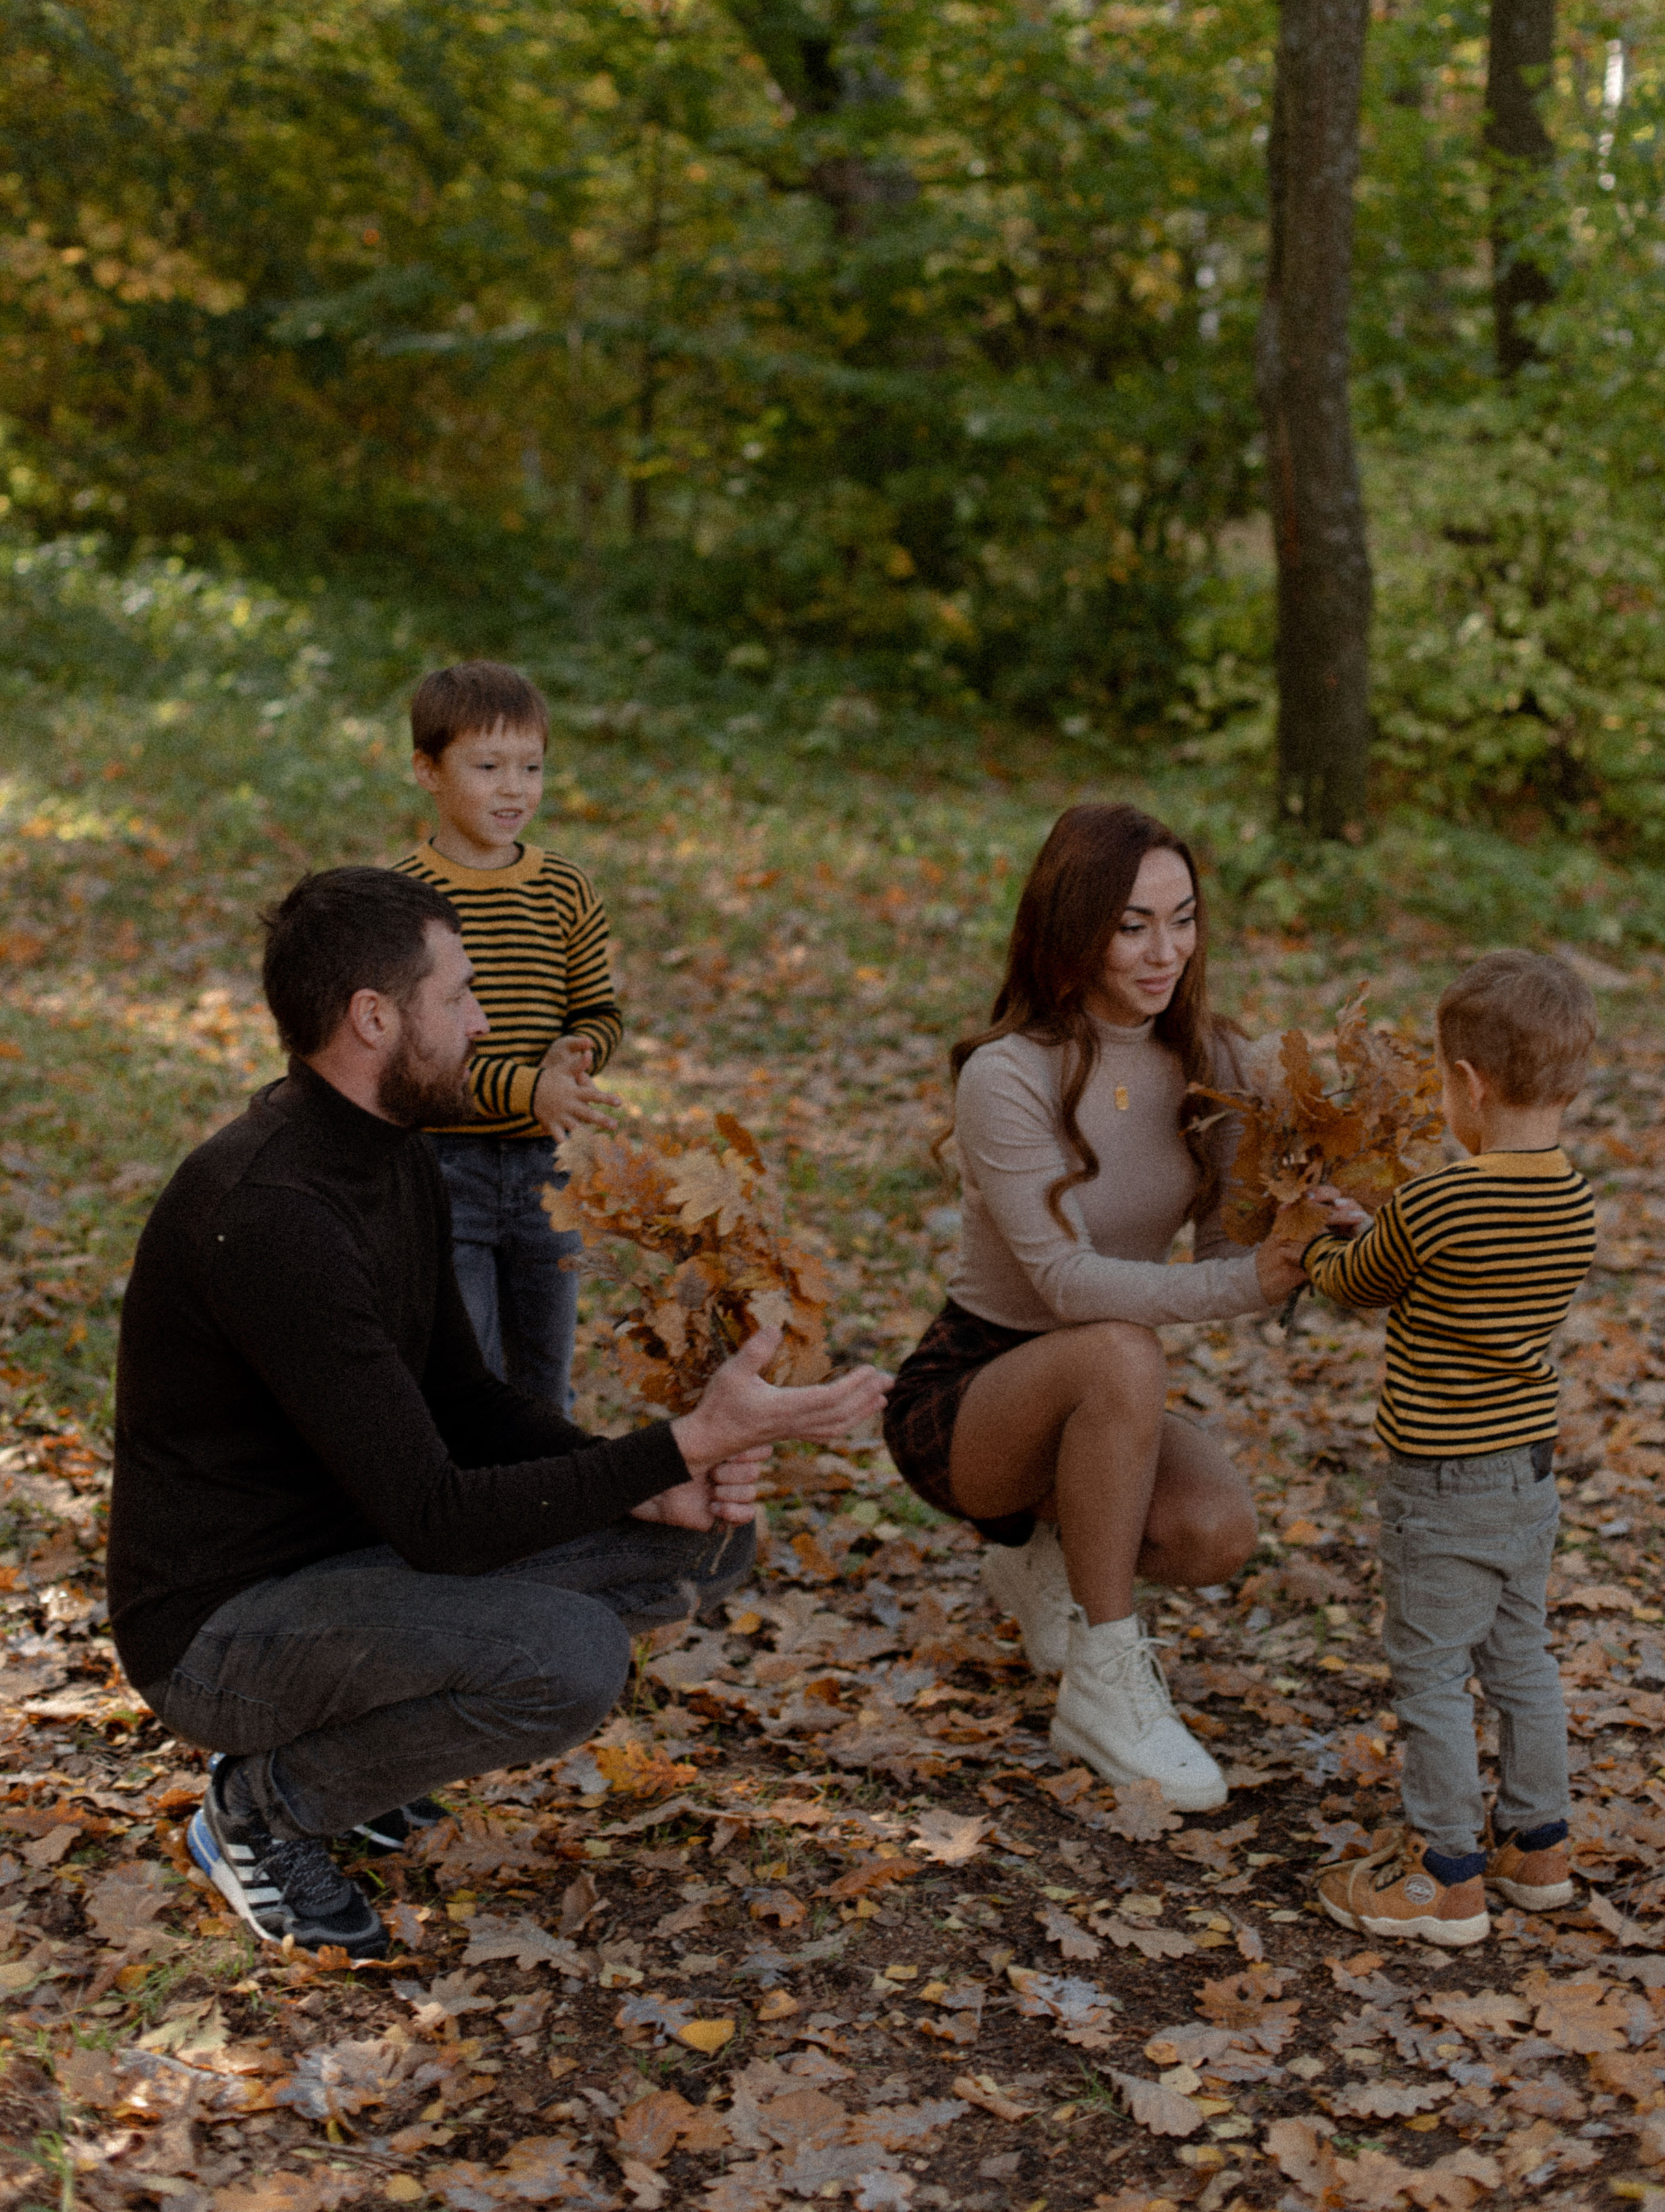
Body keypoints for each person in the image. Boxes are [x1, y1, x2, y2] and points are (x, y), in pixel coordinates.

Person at [107, 867, 890, 1958]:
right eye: (460, 995)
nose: (484, 1023)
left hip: (355, 1561)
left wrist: (657, 1479)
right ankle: (265, 1807)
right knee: (567, 1660)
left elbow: (464, 1400)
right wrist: (676, 1443)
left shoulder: (397, 1156)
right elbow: (438, 1517)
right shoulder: (274, 1217)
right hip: (222, 1629)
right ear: (374, 1019)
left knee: (709, 1540)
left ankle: (366, 1761)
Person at [885, 803, 1309, 1811]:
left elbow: (1224, 1254)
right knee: (1118, 1345)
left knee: (1214, 1534)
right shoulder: (1008, 1075)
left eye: (1183, 918)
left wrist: (1308, 1229)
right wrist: (1247, 1283)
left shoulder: (1219, 1065)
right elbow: (1068, 1286)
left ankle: (1040, 1555)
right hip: (974, 1392)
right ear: (1073, 927)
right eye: (1132, 926)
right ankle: (1106, 1684)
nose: (1166, 952)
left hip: (1107, 1395)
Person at [1305, 949, 1597, 1947]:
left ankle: (1444, 1872)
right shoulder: (1574, 1204)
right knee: (1522, 1659)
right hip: (1527, 1476)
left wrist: (1315, 1242)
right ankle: (1538, 1844)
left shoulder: (1440, 1203)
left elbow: (1357, 1282)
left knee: (1430, 1671)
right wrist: (1377, 1230)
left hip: (1440, 1484)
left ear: (1468, 1086)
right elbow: (1454, 1261)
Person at [393, 660, 617, 1415]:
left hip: (547, 1169)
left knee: (544, 1379)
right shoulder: (407, 901)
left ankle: (547, 1521)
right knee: (467, 1377)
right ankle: (466, 1518)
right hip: (443, 1164)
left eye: (532, 767)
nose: (515, 788)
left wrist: (577, 1054)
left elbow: (599, 1010)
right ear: (427, 770)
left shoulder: (565, 888)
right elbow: (424, 1053)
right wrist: (532, 1086)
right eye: (488, 767)